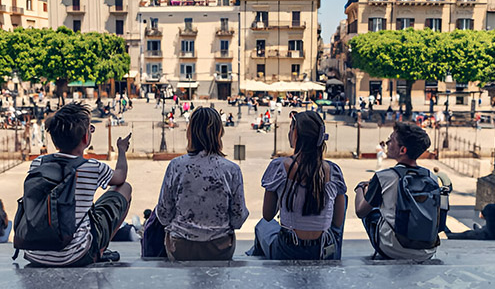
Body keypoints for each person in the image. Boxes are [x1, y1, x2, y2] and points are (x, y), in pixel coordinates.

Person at [20, 102, 132, 267]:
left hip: (34, 253)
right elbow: (120, 177)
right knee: (125, 188)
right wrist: (121, 150)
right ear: (86, 138)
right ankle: (98, 250)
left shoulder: (37, 164)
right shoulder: (92, 167)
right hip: (75, 255)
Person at [247, 111, 346, 260]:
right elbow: (337, 222)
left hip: (288, 249)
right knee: (342, 196)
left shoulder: (279, 167)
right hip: (322, 250)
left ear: (296, 135)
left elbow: (267, 215)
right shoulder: (334, 171)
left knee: (262, 226)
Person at [156, 107, 249, 260]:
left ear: (190, 132)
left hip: (180, 248)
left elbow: (164, 215)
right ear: (219, 133)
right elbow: (238, 219)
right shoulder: (231, 170)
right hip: (220, 249)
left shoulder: (176, 166)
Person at [355, 122, 439, 261]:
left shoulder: (383, 177)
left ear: (402, 150)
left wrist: (360, 188)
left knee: (373, 207)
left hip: (392, 249)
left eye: (391, 139)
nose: (387, 142)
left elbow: (360, 211)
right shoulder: (432, 178)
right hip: (428, 250)